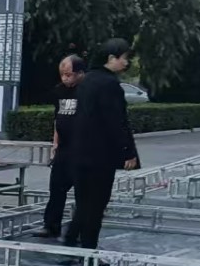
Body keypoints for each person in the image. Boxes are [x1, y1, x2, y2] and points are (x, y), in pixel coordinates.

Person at [64, 39, 140, 250]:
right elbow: (116, 121)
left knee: (84, 203)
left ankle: (71, 242)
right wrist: (128, 152)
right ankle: (89, 250)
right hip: (100, 155)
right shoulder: (109, 84)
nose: (126, 63)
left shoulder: (86, 80)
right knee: (96, 204)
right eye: (124, 58)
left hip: (80, 152)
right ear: (111, 58)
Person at [36, 54, 84, 238]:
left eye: (69, 75)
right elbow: (58, 119)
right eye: (62, 75)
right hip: (64, 147)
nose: (65, 78)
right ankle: (51, 225)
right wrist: (55, 143)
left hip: (83, 148)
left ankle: (79, 230)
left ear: (80, 73)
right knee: (56, 187)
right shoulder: (60, 91)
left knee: (82, 191)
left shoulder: (88, 91)